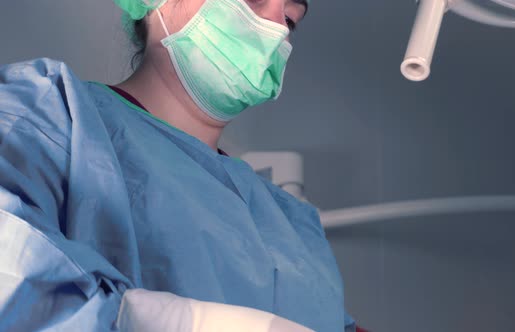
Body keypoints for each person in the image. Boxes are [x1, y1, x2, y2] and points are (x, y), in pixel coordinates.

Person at [0, 0, 357, 331]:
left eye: (290, 19)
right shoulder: (48, 114)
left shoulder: (294, 224)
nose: (276, 28)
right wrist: (185, 322)